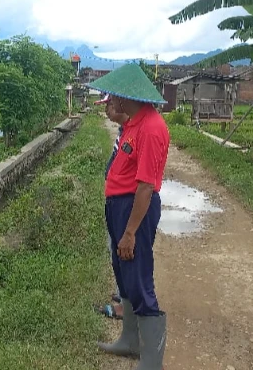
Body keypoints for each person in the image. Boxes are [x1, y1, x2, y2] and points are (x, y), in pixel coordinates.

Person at [87, 63, 169, 370]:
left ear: (127, 96)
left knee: (140, 280)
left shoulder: (151, 127)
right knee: (125, 278)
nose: (111, 101)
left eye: (115, 96)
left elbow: (146, 186)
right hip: (119, 207)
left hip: (135, 210)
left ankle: (151, 362)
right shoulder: (134, 123)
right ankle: (130, 341)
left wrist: (131, 231)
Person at [93, 93, 129, 321]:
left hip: (125, 203)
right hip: (117, 201)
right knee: (116, 251)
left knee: (125, 255)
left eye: (110, 105)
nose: (107, 111)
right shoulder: (123, 132)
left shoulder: (135, 133)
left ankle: (126, 307)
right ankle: (123, 295)